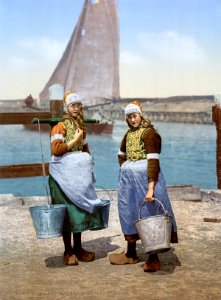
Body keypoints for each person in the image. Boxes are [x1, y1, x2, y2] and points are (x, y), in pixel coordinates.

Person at [109, 100, 178, 272]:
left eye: (135, 116)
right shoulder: (128, 134)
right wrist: (127, 168)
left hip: (147, 179)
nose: (132, 120)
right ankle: (131, 254)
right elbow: (121, 153)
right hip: (129, 182)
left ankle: (153, 257)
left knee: (150, 214)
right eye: (129, 117)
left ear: (141, 115)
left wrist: (150, 188)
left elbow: (153, 162)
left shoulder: (149, 134)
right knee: (129, 212)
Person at [49, 91, 104, 266]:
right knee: (67, 213)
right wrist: (74, 139)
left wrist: (88, 169)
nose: (76, 108)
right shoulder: (60, 126)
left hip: (77, 177)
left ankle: (79, 248)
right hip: (62, 177)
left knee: (79, 211)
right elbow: (56, 150)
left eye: (78, 105)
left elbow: (85, 149)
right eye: (72, 105)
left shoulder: (81, 126)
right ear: (67, 107)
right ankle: (68, 250)